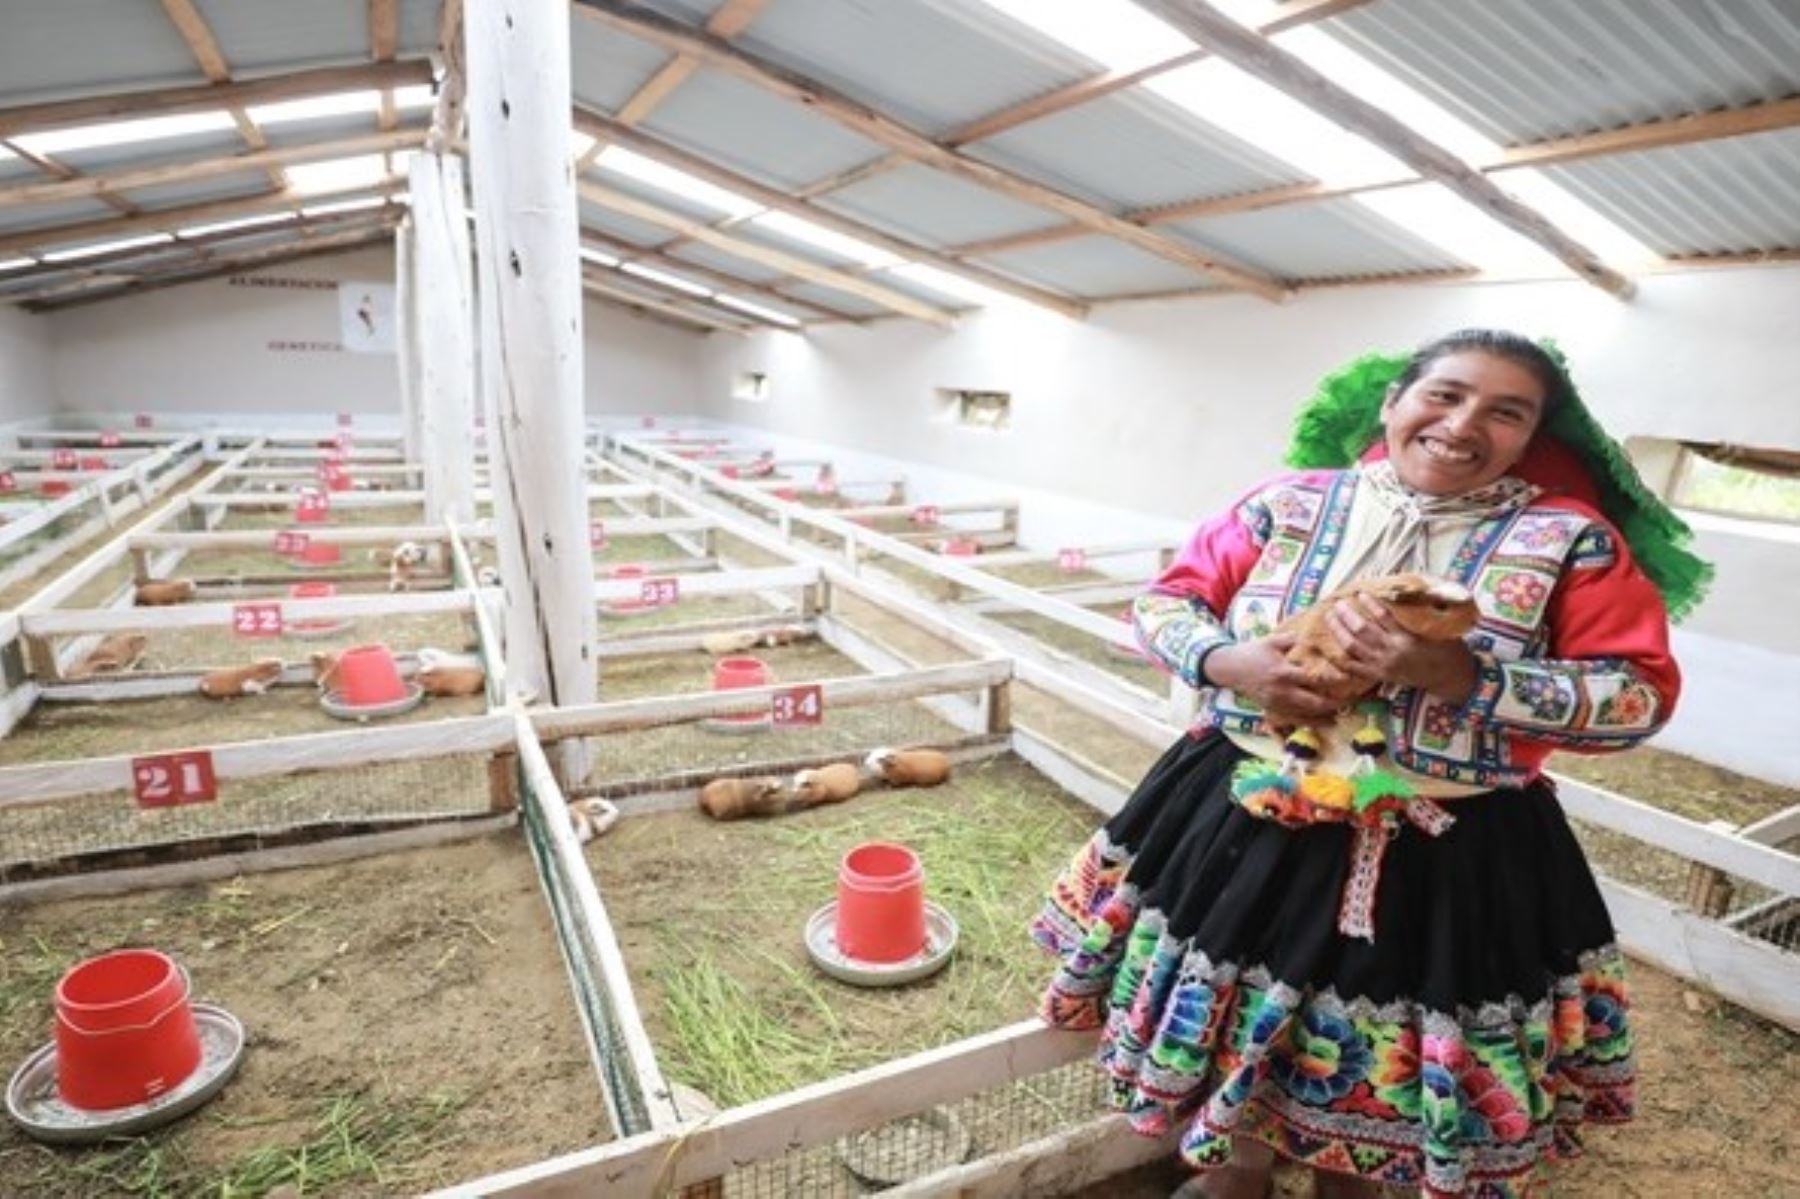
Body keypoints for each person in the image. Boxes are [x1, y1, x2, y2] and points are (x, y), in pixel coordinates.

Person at [1031, 329, 1710, 1199]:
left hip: (1448, 842)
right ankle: (1236, 1171)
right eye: (1445, 394)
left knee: (1367, 1023)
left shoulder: (1567, 543)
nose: (1464, 424)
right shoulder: (1288, 504)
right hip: (1241, 805)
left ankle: (1348, 1181)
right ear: (1392, 402)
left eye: (1507, 413)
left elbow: (1637, 696)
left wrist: (1465, 675)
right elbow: (1170, 601)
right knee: (1231, 1001)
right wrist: (1234, 664)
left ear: (1532, 436)